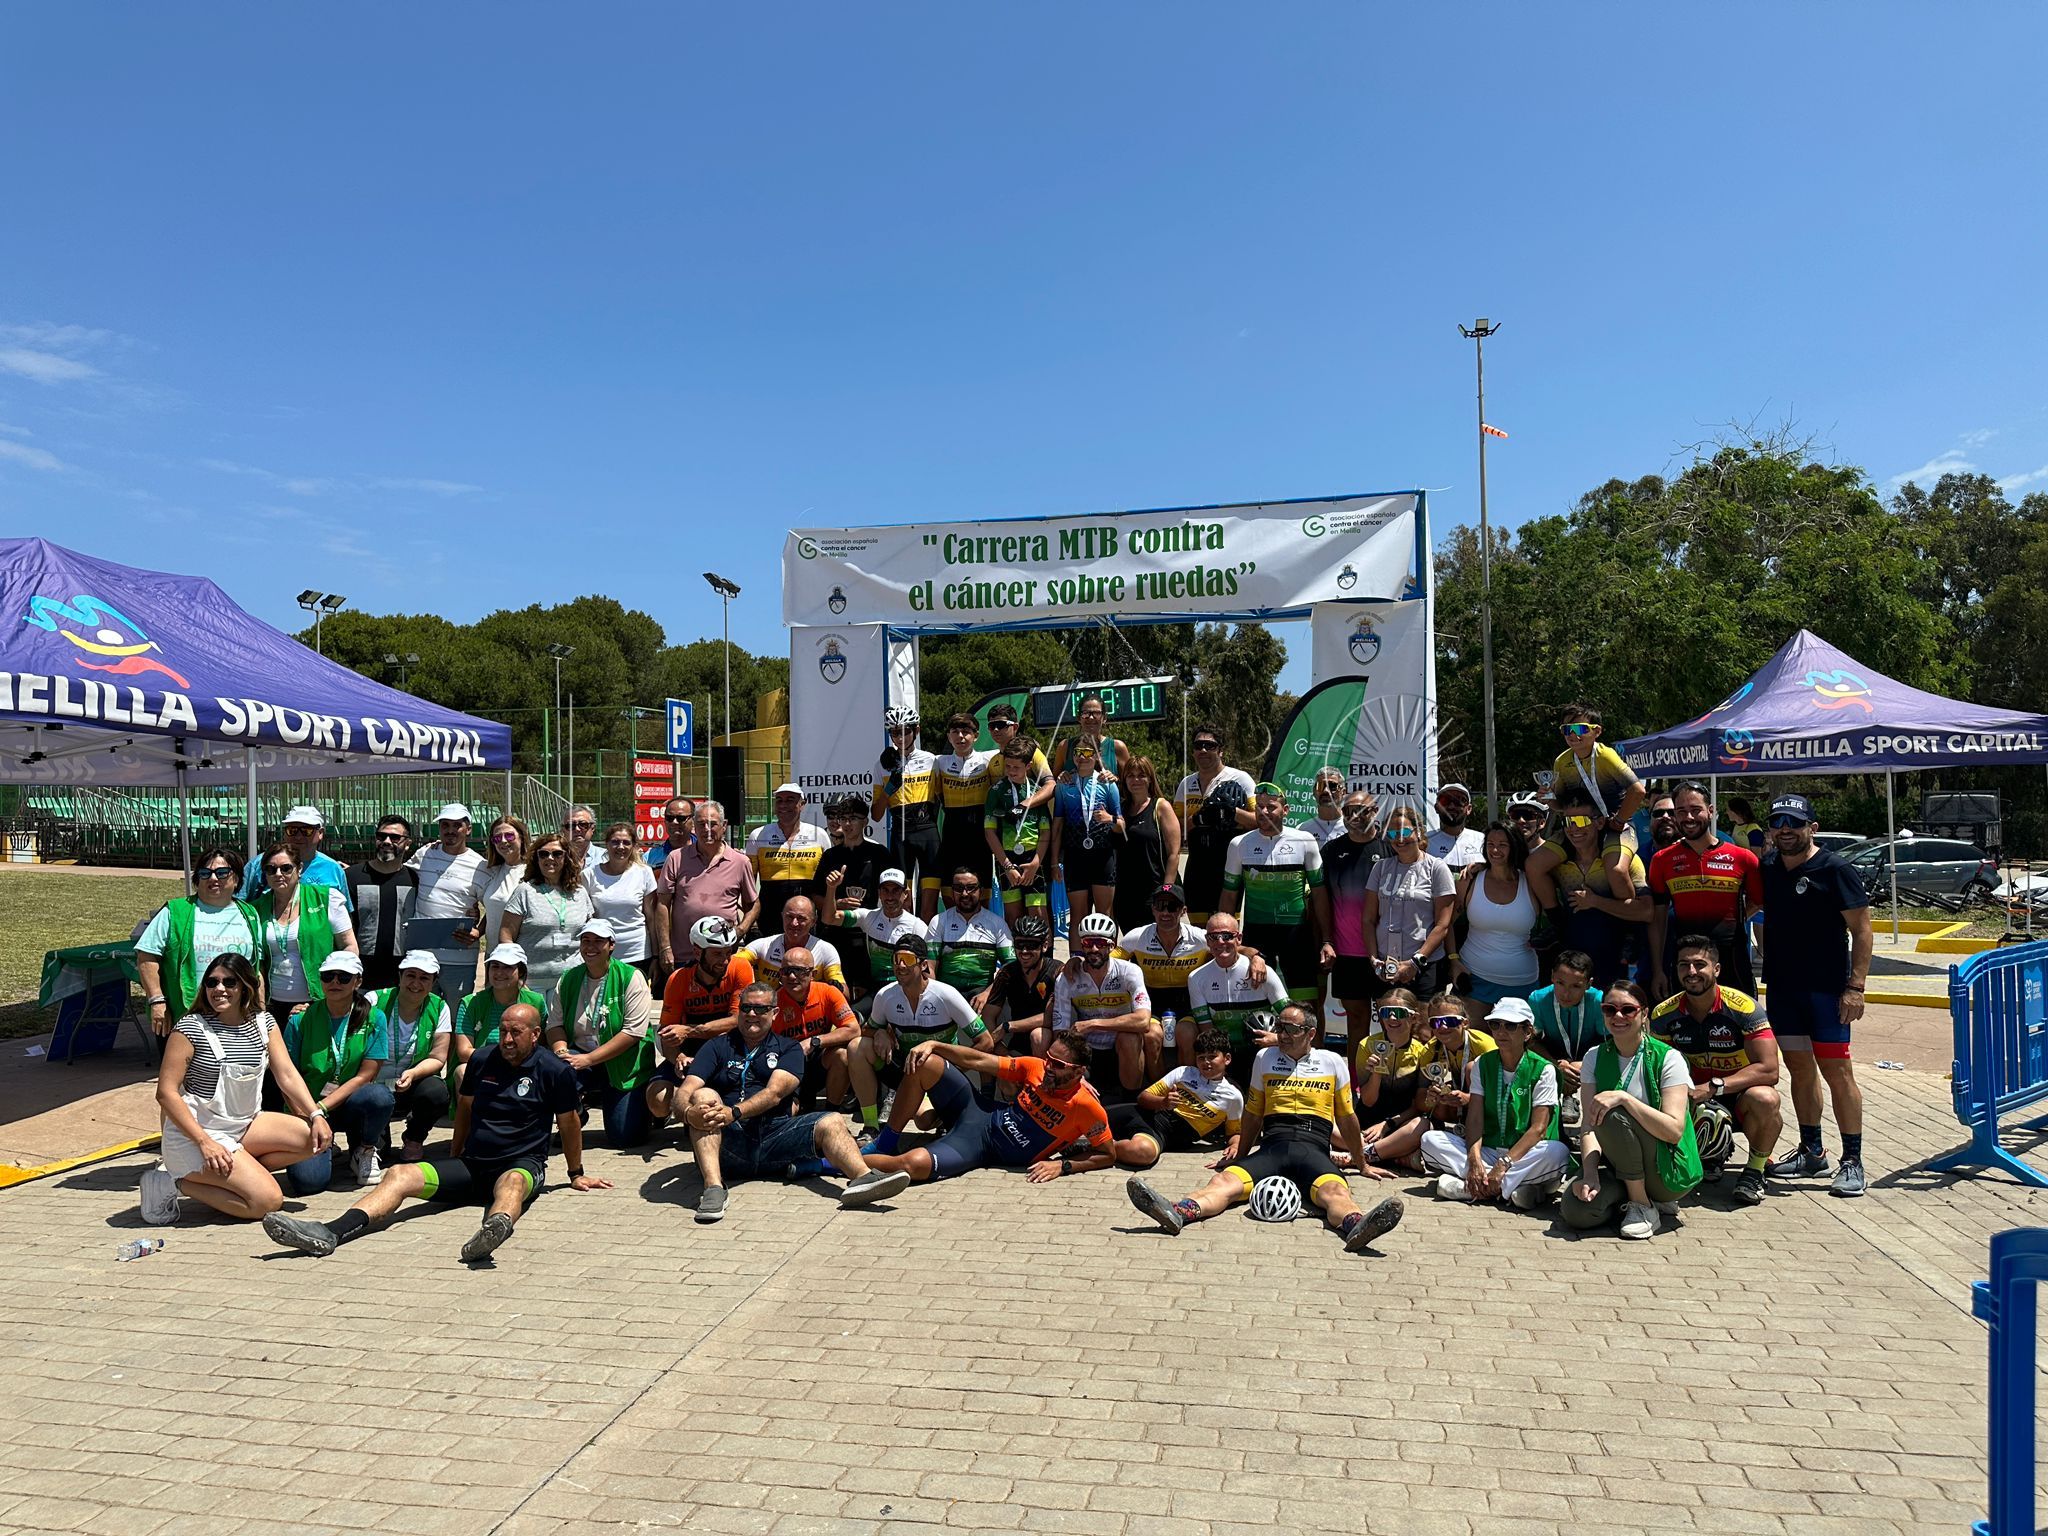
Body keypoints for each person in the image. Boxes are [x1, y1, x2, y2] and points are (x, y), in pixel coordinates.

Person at [262, 1002, 611, 1264]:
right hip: (472, 1166)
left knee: (513, 1185)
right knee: (399, 1174)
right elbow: (465, 1110)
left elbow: (569, 1124)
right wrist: (456, 1152)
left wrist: (575, 1173)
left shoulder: (555, 1071)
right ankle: (331, 1231)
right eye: (503, 1030)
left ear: (536, 1035)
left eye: (515, 1032)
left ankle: (491, 1233)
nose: (506, 1039)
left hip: (520, 1164)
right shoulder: (481, 1060)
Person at [1124, 1005, 1405, 1252]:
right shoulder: (1265, 1058)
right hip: (1273, 1144)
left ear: (1310, 1033)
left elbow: (1346, 1118)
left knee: (1335, 1193)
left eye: (1290, 1028)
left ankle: (1358, 1225)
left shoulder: (1331, 1061)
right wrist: (1240, 1154)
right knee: (1223, 1183)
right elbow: (1254, 1113)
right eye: (1279, 1026)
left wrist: (1362, 1163)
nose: (1281, 1033)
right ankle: (1178, 1212)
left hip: (1313, 1146)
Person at [677, 982, 911, 1221]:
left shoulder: (789, 1049)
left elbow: (774, 1094)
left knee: (831, 1120)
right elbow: (685, 1091)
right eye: (746, 1008)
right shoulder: (717, 1046)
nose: (751, 1014)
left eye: (760, 1009)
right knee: (703, 1098)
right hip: (729, 1142)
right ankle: (714, 1188)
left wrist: (734, 1111)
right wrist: (688, 1113)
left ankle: (863, 1178)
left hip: (774, 1137)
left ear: (775, 1013)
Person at [140, 953, 331, 1227]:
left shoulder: (264, 1023)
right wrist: (205, 1143)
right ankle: (173, 1182)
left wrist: (315, 1115)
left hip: (244, 1124)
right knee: (266, 1202)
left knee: (313, 1140)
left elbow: (287, 1075)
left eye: (229, 982)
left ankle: (239, 1172)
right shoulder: (190, 1027)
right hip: (197, 1133)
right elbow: (166, 1093)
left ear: (245, 986)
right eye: (212, 982)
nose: (219, 989)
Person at [1757, 792, 1875, 1197]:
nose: (1786, 830)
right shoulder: (1768, 866)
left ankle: (1853, 1160)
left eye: (1794, 822)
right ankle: (1812, 1151)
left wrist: (1855, 987)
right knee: (1799, 1070)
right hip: (1784, 989)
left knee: (1838, 1073)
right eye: (1778, 822)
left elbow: (1862, 930)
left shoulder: (1835, 868)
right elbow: (1760, 911)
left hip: (1827, 992)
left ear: (1813, 828)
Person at [855, 1032, 1117, 1186]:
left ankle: (832, 1161)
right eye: (1048, 1058)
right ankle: (886, 1142)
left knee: (913, 1166)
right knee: (926, 1062)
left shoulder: (1087, 1108)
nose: (1048, 1067)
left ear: (1079, 1072)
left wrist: (1063, 1167)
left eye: (1057, 1064)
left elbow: (1108, 1155)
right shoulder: (1035, 1067)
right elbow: (979, 1060)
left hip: (981, 1147)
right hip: (980, 1113)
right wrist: (936, 1045)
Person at [1561, 978, 1702, 1239]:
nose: (1618, 1016)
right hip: (1617, 1164)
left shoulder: (1668, 1058)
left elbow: (1673, 1131)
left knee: (1612, 1111)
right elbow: (1589, 1128)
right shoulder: (1594, 1056)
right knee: (1576, 1212)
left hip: (1666, 1165)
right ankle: (1629, 1197)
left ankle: (1643, 1205)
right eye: (1609, 1009)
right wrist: (1590, 1174)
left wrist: (1626, 1099)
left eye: (1628, 1010)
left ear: (1644, 1013)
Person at [1649, 934, 1783, 1206]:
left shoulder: (1744, 1008)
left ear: (1717, 969)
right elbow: (1656, 1070)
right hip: (1692, 1100)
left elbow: (1770, 1070)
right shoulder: (1664, 1014)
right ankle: (1710, 1156)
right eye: (1684, 965)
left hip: (1738, 1096)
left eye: (1700, 964)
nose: (1691, 972)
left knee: (1766, 1098)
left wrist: (1715, 1086)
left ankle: (1754, 1171)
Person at [1420, 996, 1569, 1208]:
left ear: (1527, 1032)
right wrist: (1474, 1159)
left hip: (1524, 1153)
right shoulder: (1482, 1064)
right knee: (1429, 1140)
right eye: (1495, 1024)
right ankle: (1513, 1189)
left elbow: (1539, 1129)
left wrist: (1505, 1163)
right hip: (1489, 1149)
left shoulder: (1544, 1069)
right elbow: (1475, 1118)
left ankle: (1469, 1188)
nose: (1501, 1031)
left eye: (1510, 1025)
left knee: (1557, 1153)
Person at [277, 951, 391, 1191]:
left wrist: (322, 1109)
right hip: (306, 1107)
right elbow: (286, 1076)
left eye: (344, 977)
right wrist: (310, 1115)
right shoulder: (300, 1019)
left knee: (379, 1096)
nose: (335, 983)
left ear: (358, 981)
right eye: (328, 976)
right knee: (307, 1183)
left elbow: (365, 1075)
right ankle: (325, 1145)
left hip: (347, 1104)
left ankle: (365, 1148)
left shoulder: (374, 1018)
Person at [850, 935, 989, 1131]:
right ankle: (871, 1126)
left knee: (923, 1121)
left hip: (939, 1076)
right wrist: (879, 1032)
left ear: (923, 965)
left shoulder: (946, 995)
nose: (900, 965)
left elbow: (985, 1041)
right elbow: (867, 1031)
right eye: (896, 959)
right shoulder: (885, 996)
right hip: (905, 1071)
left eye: (907, 959)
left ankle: (947, 1113)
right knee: (857, 1047)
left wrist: (954, 1070)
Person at [1219, 782, 1331, 1016]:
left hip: (1296, 935)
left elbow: (1320, 894)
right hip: (1257, 934)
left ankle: (1316, 1052)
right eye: (1259, 807)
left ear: (1286, 810)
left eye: (1271, 806)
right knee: (1257, 1004)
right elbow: (1229, 895)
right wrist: (1223, 936)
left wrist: (1327, 940)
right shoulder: (1239, 844)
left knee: (1308, 1007)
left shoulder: (1305, 840)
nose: (1264, 812)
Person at [546, 918, 659, 1149]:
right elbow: (554, 1025)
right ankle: (574, 1114)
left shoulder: (631, 977)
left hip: (622, 1060)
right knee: (555, 1070)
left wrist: (587, 1059)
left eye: (598, 941)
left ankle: (645, 1107)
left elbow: (632, 1033)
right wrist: (561, 1052)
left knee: (625, 1139)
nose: (590, 947)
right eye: (585, 941)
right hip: (580, 1055)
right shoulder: (568, 978)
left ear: (611, 945)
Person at [1647, 782, 1764, 996]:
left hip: (1732, 960)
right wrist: (1658, 970)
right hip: (1686, 963)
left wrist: (1730, 922)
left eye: (1695, 810)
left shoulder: (1743, 858)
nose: (1688, 818)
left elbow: (1758, 901)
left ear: (1711, 811)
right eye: (1681, 811)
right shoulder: (1662, 860)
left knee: (1742, 1026)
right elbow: (1658, 919)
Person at [136, 845, 266, 1035]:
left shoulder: (250, 914)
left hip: (237, 1016)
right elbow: (146, 957)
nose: (213, 878)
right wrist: (157, 1001)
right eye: (205, 873)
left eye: (222, 873)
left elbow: (256, 970)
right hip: (187, 1016)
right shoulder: (175, 911)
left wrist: (260, 1011)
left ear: (236, 879)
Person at [1528, 704, 1645, 911]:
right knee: (1533, 865)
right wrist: (1548, 798)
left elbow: (1638, 791)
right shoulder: (1562, 761)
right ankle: (1557, 923)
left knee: (1616, 871)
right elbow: (1562, 806)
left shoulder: (1605, 756)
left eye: (1579, 728)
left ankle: (1628, 928)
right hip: (1580, 825)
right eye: (1566, 730)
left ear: (1596, 731)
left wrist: (1618, 821)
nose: (1572, 735)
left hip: (1616, 825)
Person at [1544, 782, 1652, 988]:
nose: (1573, 827)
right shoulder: (1556, 865)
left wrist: (1595, 901)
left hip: (1615, 969)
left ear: (1600, 822)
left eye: (1581, 820)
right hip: (1572, 977)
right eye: (1568, 820)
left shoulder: (1624, 860)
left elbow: (1646, 911)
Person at [650, 915, 755, 1125]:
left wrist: (690, 1031)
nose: (725, 960)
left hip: (728, 1049)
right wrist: (677, 1057)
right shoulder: (678, 979)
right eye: (717, 954)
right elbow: (667, 1032)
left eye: (729, 952)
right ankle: (676, 1111)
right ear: (697, 952)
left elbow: (738, 1020)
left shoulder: (740, 968)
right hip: (690, 1051)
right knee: (658, 1100)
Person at [1109, 1026, 1245, 1169]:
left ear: (1227, 1059)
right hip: (1141, 1114)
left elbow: (1234, 1132)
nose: (1206, 1062)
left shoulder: (1233, 1097)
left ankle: (1100, 1148)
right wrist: (1163, 1102)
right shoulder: (1183, 1073)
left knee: (1143, 1153)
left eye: (1212, 1057)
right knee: (1092, 1117)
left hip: (1159, 1134)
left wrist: (1236, 1146)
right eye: (1201, 1058)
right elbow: (1143, 1098)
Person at [1052, 911, 1156, 1099]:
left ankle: (1131, 1100)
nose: (1093, 949)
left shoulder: (1129, 971)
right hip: (1087, 1050)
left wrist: (1093, 1023)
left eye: (1100, 943)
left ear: (1112, 945)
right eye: (1087, 943)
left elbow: (1143, 1021)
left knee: (1130, 1038)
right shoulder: (1067, 978)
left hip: (1120, 1048)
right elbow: (1059, 1030)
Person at [1324, 792, 1393, 1062]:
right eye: (1349, 811)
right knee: (1356, 1022)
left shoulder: (1390, 848)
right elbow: (1322, 900)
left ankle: (1390, 1085)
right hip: (1348, 953)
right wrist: (1326, 940)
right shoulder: (1331, 850)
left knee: (1392, 1024)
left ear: (1375, 810)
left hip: (1386, 952)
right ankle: (1355, 1085)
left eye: (1362, 811)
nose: (1355, 817)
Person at [1360, 806, 1455, 999]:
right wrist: (1373, 959)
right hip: (1386, 965)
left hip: (1424, 966)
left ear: (1418, 831)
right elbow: (1368, 919)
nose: (1399, 839)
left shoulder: (1436, 868)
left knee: (1421, 1028)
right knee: (1391, 1025)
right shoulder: (1380, 868)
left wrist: (1415, 963)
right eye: (1393, 833)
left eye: (1404, 832)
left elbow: (1442, 925)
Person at [654, 800, 759, 971]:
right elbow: (662, 905)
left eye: (713, 824)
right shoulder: (676, 858)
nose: (707, 830)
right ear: (694, 826)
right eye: (701, 824)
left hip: (723, 956)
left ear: (724, 826)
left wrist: (740, 930)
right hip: (683, 956)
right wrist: (665, 948)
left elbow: (753, 904)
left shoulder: (740, 862)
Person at [1186, 914, 1288, 1084]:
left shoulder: (1263, 971)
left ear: (1238, 938)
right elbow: (1207, 1030)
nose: (1220, 942)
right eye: (1213, 937)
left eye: (1226, 936)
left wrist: (1278, 1039)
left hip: (1263, 1048)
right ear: (1207, 941)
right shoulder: (1196, 978)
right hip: (1227, 1054)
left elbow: (1291, 1016)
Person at [374, 950, 455, 1163]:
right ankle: (373, 1140)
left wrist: (412, 1073)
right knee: (380, 1153)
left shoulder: (439, 1007)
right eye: (410, 975)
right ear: (400, 976)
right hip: (373, 1085)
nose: (416, 983)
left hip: (410, 1082)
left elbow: (438, 1057)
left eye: (424, 978)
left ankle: (414, 1138)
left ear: (433, 982)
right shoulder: (374, 1000)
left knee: (437, 1091)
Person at [256, 843, 358, 1011]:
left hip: (319, 1001)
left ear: (300, 869)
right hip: (272, 1004)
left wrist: (337, 983)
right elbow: (257, 964)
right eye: (271, 869)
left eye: (286, 868)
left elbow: (350, 946)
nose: (278, 874)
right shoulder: (257, 908)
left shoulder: (327, 898)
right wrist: (260, 1008)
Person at [1115, 883, 1207, 1062]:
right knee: (1151, 1037)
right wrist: (1076, 962)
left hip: (1187, 1001)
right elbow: (1108, 961)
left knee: (1187, 1035)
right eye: (1160, 906)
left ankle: (1184, 1087)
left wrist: (1256, 957)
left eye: (1172, 907)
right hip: (1153, 1001)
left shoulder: (1199, 938)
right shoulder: (1137, 936)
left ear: (1183, 911)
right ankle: (1157, 1087)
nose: (1166, 913)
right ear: (1153, 910)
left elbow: (1233, 948)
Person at [1449, 822, 1539, 1005]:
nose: (1495, 850)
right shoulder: (1470, 879)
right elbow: (1446, 923)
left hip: (1522, 983)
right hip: (1473, 980)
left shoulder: (1532, 881)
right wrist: (1453, 960)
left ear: (1514, 847)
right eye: (1490, 844)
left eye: (1503, 845)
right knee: (1470, 1034)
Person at [405, 804, 487, 1002]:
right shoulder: (425, 854)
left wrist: (478, 931)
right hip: (422, 957)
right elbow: (397, 875)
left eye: (457, 825)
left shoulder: (480, 866)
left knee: (456, 1019)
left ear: (468, 829)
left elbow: (495, 906)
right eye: (445, 825)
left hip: (460, 960)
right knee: (421, 1017)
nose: (450, 830)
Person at [1174, 725, 1256, 921]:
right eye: (1198, 745)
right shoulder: (1186, 783)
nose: (1203, 750)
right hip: (1197, 865)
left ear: (1221, 750)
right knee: (1198, 931)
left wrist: (1232, 812)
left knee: (1225, 928)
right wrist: (1198, 819)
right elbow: (1175, 828)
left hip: (1228, 864)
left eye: (1209, 746)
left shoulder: (1241, 778)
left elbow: (1258, 822)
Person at [499, 832, 595, 999]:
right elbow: (506, 935)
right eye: (543, 854)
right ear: (536, 859)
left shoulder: (580, 893)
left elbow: (589, 934)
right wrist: (517, 975)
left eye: (557, 854)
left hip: (571, 978)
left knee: (564, 1025)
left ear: (567, 858)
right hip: (531, 981)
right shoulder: (525, 891)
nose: (550, 858)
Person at [768, 946, 860, 1110]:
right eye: (786, 971)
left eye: (799, 971)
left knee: (842, 1055)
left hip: (818, 1062)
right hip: (787, 1068)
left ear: (813, 974)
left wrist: (814, 1041)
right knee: (789, 1113)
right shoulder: (773, 1002)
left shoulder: (828, 992)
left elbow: (853, 1029)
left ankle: (831, 1111)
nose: (791, 976)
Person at [817, 793, 891, 991]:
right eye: (844, 819)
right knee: (836, 987)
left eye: (853, 819)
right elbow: (815, 895)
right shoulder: (830, 855)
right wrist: (836, 902)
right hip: (835, 931)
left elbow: (893, 893)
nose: (848, 824)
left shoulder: (879, 854)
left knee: (870, 988)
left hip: (868, 932)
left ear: (865, 821)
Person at [873, 707, 941, 917]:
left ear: (916, 731)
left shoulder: (931, 760)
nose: (900, 737)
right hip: (901, 834)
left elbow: (944, 798)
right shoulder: (882, 766)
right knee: (905, 902)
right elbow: (875, 815)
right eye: (894, 732)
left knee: (929, 902)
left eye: (905, 731)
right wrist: (888, 790)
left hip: (928, 832)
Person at [1046, 738, 1122, 925]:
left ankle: (1105, 955)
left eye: (1088, 752)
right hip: (1075, 857)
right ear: (1072, 756)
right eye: (1078, 752)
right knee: (1078, 916)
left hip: (1103, 856)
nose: (1082, 757)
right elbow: (1057, 826)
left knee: (1104, 915)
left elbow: (1121, 825)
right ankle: (1078, 955)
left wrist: (1109, 818)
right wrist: (1055, 862)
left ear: (1096, 756)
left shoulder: (1108, 784)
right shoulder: (1064, 784)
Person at [1351, 989, 1429, 1162]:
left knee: (1422, 1125)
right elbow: (1368, 1101)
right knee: (1329, 1119)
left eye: (1399, 1012)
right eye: (1386, 1012)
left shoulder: (1422, 1052)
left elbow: (1419, 1106)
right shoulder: (1367, 1045)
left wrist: (1386, 1125)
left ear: (1414, 1018)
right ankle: (1391, 1155)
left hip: (1400, 1122)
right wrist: (1377, 1073)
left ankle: (1359, 1154)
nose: (1392, 1018)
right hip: (1368, 1120)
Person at [984, 734, 1053, 924]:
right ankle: (1016, 954)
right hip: (1007, 859)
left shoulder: (1036, 793)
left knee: (1038, 914)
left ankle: (1043, 954)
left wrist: (1036, 863)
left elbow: (1046, 831)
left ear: (1029, 766)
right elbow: (989, 832)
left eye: (1016, 767)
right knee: (1013, 915)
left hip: (1033, 858)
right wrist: (1006, 865)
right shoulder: (996, 791)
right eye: (1008, 766)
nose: (1011, 771)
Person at [1529, 950, 1604, 1125]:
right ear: (1552, 976)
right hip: (1555, 1052)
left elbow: (1609, 1042)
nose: (1566, 993)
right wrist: (1554, 1065)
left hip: (1589, 1050)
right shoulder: (1537, 999)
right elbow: (1531, 1041)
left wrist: (1586, 1063)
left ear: (1588, 984)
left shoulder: (1599, 1000)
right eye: (1560, 983)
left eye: (1576, 986)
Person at [835, 868, 929, 1007]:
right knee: (854, 1019)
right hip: (876, 989)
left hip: (905, 990)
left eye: (896, 890)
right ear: (879, 893)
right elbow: (829, 918)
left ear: (905, 894)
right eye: (885, 890)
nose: (890, 897)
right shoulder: (868, 917)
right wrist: (832, 888)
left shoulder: (918, 926)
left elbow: (927, 970)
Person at [748, 783, 831, 931]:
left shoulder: (819, 835)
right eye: (779, 800)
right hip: (769, 916)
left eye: (790, 800)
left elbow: (827, 882)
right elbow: (749, 882)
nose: (783, 805)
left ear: (802, 804)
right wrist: (749, 917)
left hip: (806, 917)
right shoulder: (758, 835)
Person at [1113, 756, 1182, 934]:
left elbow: (1174, 853)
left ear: (1150, 778)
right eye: (1130, 775)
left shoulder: (1160, 807)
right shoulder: (1120, 809)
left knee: (1158, 950)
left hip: (1155, 892)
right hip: (1125, 894)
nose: (1136, 780)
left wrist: (1166, 892)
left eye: (1141, 775)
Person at [347, 814, 416, 989]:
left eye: (395, 837)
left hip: (402, 977)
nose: (386, 841)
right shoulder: (352, 876)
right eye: (381, 836)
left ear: (408, 843)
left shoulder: (415, 880)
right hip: (360, 976)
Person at [928, 869, 1015, 1006]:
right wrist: (934, 995)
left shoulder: (997, 923)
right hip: (947, 992)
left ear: (981, 891)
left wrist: (989, 993)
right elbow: (929, 966)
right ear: (952, 892)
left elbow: (1010, 965)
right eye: (958, 888)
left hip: (983, 993)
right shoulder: (939, 921)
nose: (964, 894)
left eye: (971, 888)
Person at [586, 822, 661, 979]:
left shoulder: (644, 873)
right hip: (602, 954)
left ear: (633, 845)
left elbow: (651, 918)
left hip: (638, 952)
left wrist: (656, 956)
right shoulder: (589, 875)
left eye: (626, 842)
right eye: (615, 842)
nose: (620, 847)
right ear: (606, 844)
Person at [934, 712, 998, 897]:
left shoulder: (989, 759)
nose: (960, 736)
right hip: (952, 833)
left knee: (981, 886)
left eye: (966, 732)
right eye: (955, 732)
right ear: (948, 736)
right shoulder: (939, 762)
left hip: (980, 834)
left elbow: (1024, 750)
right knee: (949, 886)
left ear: (976, 736)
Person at [455, 943, 547, 1067]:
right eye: (495, 966)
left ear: (520, 972)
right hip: (484, 1065)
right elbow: (464, 1052)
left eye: (507, 967)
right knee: (462, 1070)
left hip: (522, 1066)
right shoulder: (470, 1003)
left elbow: (540, 1044)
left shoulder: (536, 1002)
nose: (499, 972)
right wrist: (502, 1060)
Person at [980, 912, 1055, 1061]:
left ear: (1045, 946)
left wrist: (1009, 1026)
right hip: (1017, 1044)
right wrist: (1002, 1051)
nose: (1025, 951)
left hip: (1049, 1042)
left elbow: (1051, 1017)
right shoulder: (1007, 973)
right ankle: (988, 1085)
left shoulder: (1057, 972)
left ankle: (1042, 1081)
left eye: (1032, 945)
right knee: (994, 1056)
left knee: (1039, 1036)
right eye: (1020, 945)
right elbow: (988, 1016)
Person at [472, 815, 533, 997]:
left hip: (520, 959)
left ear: (522, 837)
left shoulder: (532, 871)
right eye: (497, 838)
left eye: (509, 836)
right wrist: (479, 930)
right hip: (493, 956)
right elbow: (493, 910)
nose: (503, 841)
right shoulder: (492, 870)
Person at [239, 804, 348, 904]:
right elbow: (239, 903)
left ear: (320, 833)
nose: (298, 836)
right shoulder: (259, 864)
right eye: (292, 830)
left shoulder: (333, 869)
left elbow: (344, 913)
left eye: (307, 831)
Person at [745, 894, 848, 993]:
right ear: (782, 916)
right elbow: (734, 963)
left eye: (801, 918)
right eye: (789, 917)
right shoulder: (763, 945)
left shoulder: (826, 950)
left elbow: (845, 993)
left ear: (813, 921)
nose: (794, 923)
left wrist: (832, 988)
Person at [1049, 694, 1132, 781]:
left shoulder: (1117, 747)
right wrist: (1061, 776)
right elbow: (1052, 783)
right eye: (1086, 713)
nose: (1091, 717)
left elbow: (1131, 782)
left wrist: (1115, 778)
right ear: (1079, 717)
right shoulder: (1064, 747)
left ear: (1104, 718)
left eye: (1097, 713)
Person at [984, 703, 1054, 787]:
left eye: (1000, 725)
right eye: (992, 726)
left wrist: (1028, 801)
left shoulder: (1032, 753)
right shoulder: (992, 762)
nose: (995, 729)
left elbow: (1050, 785)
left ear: (1015, 727)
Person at [1427, 783, 1486, 873]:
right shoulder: (1424, 842)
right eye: (1445, 801)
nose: (1451, 806)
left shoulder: (1483, 840)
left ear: (1469, 809)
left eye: (1459, 801)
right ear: (1436, 808)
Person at [1299, 769, 1350, 848]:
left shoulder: (1353, 828)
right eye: (1320, 786)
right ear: (1314, 792)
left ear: (1343, 792)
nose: (1326, 791)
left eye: (1332, 786)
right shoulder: (1302, 830)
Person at [646, 796, 696, 870]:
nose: (674, 822)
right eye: (669, 818)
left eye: (681, 818)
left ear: (693, 821)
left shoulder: (705, 852)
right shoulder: (650, 858)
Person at [1507, 791, 1550, 857]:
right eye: (1515, 815)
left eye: (1528, 815)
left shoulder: (1551, 853)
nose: (1521, 820)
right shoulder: (1503, 852)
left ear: (1541, 823)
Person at [559, 805, 600, 872]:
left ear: (592, 828)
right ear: (563, 830)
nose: (577, 829)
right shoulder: (553, 858)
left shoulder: (606, 858)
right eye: (571, 825)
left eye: (583, 825)